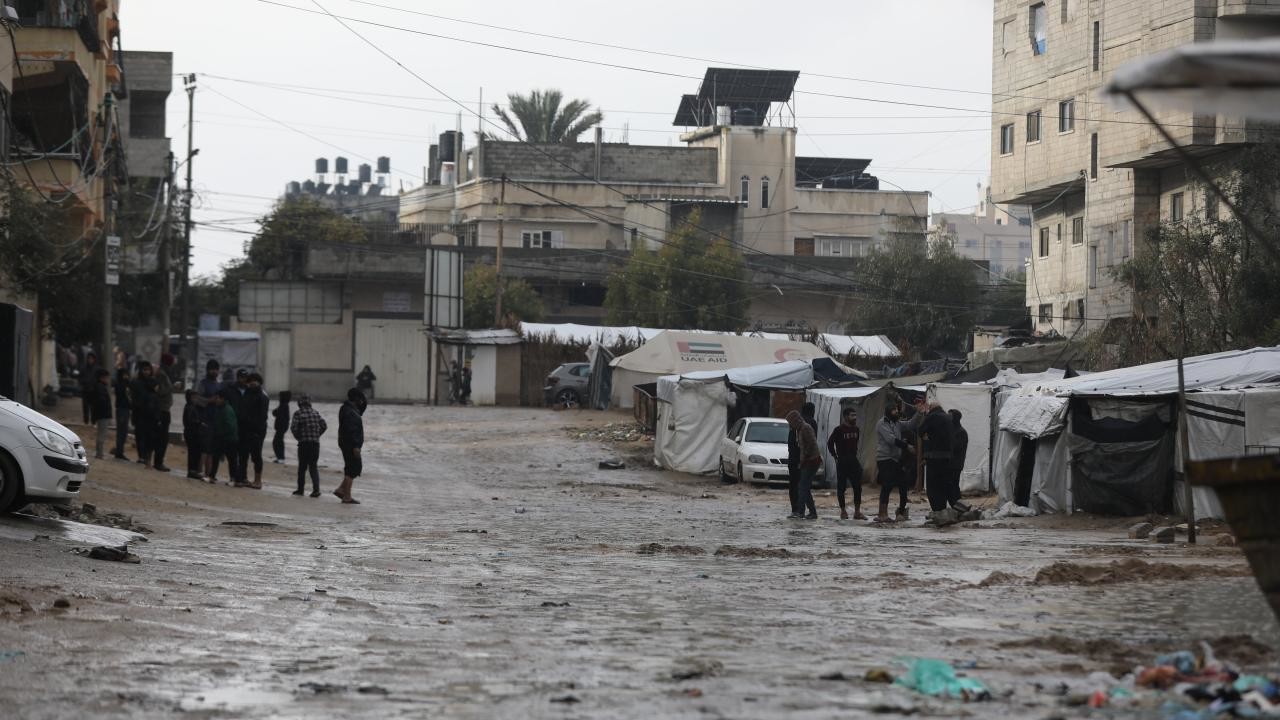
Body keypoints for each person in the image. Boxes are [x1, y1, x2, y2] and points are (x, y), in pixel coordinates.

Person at [875, 401, 916, 522]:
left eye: (897, 410)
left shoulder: (896, 423)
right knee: (887, 486)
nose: (897, 412)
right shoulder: (882, 423)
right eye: (894, 411)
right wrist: (907, 446)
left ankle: (901, 511)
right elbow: (890, 440)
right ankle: (882, 514)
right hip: (885, 459)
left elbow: (910, 424)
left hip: (895, 459)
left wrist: (918, 413)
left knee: (903, 484)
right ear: (888, 412)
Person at [915, 396, 955, 513]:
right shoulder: (948, 418)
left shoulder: (931, 417)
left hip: (933, 457)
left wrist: (926, 437)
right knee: (943, 484)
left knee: (933, 486)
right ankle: (942, 509)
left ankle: (937, 510)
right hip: (947, 457)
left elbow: (920, 431)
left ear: (931, 408)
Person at [827, 406, 864, 520]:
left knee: (857, 486)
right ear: (845, 417)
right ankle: (843, 511)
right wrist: (835, 456)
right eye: (852, 415)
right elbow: (830, 443)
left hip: (853, 460)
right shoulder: (839, 430)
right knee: (841, 487)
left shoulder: (856, 429)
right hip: (842, 461)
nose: (854, 418)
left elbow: (855, 444)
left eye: (855, 415)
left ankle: (857, 512)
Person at [785, 402, 820, 519]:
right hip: (805, 461)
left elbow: (811, 444)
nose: (790, 426)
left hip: (811, 461)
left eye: (791, 423)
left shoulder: (805, 428)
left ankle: (801, 512)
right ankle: (810, 512)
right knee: (804, 486)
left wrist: (803, 458)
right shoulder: (799, 429)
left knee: (802, 486)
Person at [236, 373, 270, 489]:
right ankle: (242, 479)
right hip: (244, 429)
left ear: (260, 382)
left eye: (255, 381)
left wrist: (257, 431)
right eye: (250, 381)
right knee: (243, 455)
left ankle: (257, 481)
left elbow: (262, 416)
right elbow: (242, 409)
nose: (252, 383)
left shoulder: (263, 396)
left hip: (257, 431)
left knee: (256, 456)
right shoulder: (247, 393)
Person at [290, 394, 327, 497]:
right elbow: (324, 425)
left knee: (302, 467)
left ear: (299, 403)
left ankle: (300, 490)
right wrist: (317, 435)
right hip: (315, 444)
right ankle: (316, 490)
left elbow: (293, 428)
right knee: (313, 467)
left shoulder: (298, 413)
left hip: (304, 444)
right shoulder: (316, 413)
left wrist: (299, 437)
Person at [333, 387, 366, 504]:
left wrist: (363, 400)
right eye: (360, 398)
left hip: (346, 442)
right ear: (356, 398)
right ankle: (347, 496)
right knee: (353, 468)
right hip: (350, 444)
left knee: (353, 467)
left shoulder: (348, 408)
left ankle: (341, 490)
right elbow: (351, 430)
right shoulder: (350, 412)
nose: (362, 401)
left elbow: (362, 409)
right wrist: (356, 446)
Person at [207, 389, 240, 485]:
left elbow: (230, 426)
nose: (215, 400)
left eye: (217, 398)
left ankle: (233, 479)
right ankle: (212, 476)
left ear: (222, 399)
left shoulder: (227, 410)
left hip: (229, 439)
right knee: (216, 457)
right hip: (221, 437)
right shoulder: (219, 408)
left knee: (232, 460)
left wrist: (220, 433)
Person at [131, 361, 158, 468]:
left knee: (149, 437)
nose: (147, 372)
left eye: (148, 369)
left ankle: (147, 458)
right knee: (140, 436)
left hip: (151, 414)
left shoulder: (153, 382)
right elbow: (134, 399)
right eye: (145, 369)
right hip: (139, 413)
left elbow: (157, 398)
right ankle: (141, 456)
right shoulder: (136, 383)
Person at [198, 360, 223, 478]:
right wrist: (209, 401)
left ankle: (209, 473)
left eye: (216, 369)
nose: (214, 371)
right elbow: (196, 399)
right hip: (205, 419)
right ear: (207, 370)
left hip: (216, 420)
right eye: (211, 369)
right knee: (204, 447)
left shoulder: (219, 385)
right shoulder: (203, 384)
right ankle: (200, 471)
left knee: (212, 450)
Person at [151, 354, 175, 472]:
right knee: (162, 438)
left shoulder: (163, 374)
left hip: (164, 409)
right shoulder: (161, 375)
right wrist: (172, 387)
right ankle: (158, 462)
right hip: (161, 410)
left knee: (163, 437)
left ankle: (157, 461)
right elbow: (160, 391)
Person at [949, 409, 970, 512]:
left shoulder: (961, 432)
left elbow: (955, 447)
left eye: (950, 416)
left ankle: (959, 506)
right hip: (951, 464)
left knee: (954, 486)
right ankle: (956, 506)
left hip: (956, 464)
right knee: (951, 485)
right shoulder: (953, 430)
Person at [182, 389, 206, 480]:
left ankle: (193, 470)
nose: (196, 399)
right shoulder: (189, 407)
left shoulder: (192, 406)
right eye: (194, 397)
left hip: (193, 432)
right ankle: (192, 471)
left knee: (196, 452)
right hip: (191, 433)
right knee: (193, 452)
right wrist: (200, 423)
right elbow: (190, 421)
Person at [89, 369, 112, 459]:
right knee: (101, 434)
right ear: (102, 378)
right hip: (103, 414)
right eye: (106, 378)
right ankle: (99, 453)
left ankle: (99, 452)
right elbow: (102, 402)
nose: (108, 380)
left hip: (101, 414)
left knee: (101, 434)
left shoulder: (99, 386)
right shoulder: (100, 387)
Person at [112, 367, 132, 460]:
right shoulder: (119, 384)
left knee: (124, 432)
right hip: (121, 409)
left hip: (125, 409)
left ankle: (120, 450)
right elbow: (121, 394)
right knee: (121, 431)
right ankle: (119, 451)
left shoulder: (126, 383)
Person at [271, 390, 292, 463]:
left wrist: (275, 412)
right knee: (278, 442)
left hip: (281, 427)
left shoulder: (284, 405)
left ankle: (281, 458)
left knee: (277, 442)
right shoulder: (283, 405)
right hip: (281, 427)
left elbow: (278, 414)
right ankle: (280, 457)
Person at [80, 351, 98, 425]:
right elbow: (80, 378)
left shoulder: (96, 369)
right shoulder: (84, 368)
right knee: (85, 407)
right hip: (85, 390)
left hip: (94, 391)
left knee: (93, 408)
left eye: (91, 359)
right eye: (89, 358)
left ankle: (93, 421)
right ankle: (86, 421)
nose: (90, 360)